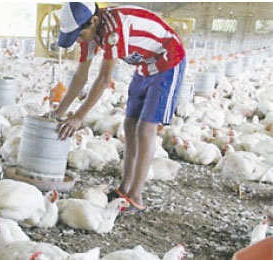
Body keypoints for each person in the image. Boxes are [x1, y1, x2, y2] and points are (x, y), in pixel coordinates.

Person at [53, 2, 186, 215]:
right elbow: (81, 75)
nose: (79, 39)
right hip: (144, 66)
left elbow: (104, 77)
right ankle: (124, 188)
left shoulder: (113, 28)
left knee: (145, 128)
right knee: (129, 123)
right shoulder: (89, 33)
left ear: (94, 20)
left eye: (79, 34)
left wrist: (79, 117)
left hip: (168, 62)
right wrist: (59, 111)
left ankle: (136, 196)